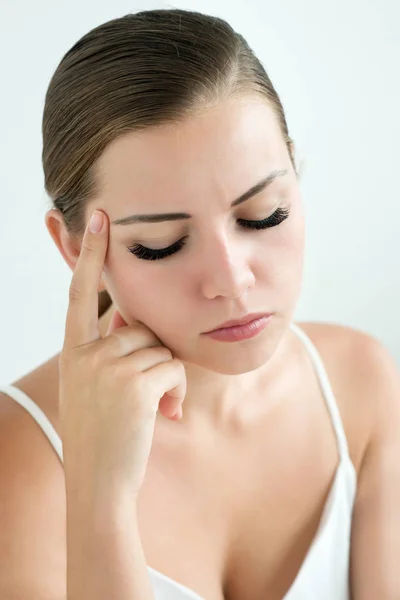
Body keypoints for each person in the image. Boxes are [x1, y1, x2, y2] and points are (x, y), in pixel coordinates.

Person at [0, 7, 399, 600]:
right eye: (162, 245)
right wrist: (100, 499)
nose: (232, 283)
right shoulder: (21, 461)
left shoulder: (357, 383)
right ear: (76, 245)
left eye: (264, 213)